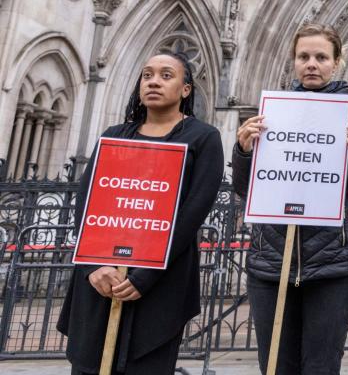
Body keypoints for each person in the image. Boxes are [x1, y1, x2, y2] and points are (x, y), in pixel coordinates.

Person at [232, 24, 348, 375]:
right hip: (271, 264)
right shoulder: (271, 114)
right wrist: (243, 150)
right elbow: (245, 189)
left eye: (321, 57)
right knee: (274, 366)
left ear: (336, 62)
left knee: (320, 365)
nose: (311, 64)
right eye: (304, 57)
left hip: (334, 266)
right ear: (294, 62)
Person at [58, 53, 224, 374]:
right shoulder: (114, 135)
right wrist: (94, 266)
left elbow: (192, 213)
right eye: (147, 75)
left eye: (165, 75)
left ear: (186, 89)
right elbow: (87, 202)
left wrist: (145, 276)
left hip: (161, 280)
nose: (153, 81)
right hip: (101, 276)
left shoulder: (203, 138)